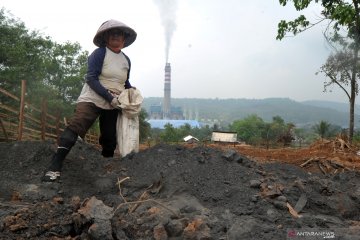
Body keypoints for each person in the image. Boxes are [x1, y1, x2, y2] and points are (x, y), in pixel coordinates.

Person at [42, 19, 137, 182]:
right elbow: (91, 78)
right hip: (93, 95)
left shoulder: (126, 60)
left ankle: (105, 172)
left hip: (114, 101)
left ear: (124, 38)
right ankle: (54, 167)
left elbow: (124, 82)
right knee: (77, 125)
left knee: (109, 138)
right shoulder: (100, 53)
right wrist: (108, 97)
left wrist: (131, 91)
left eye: (119, 34)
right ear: (106, 37)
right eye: (112, 33)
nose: (116, 36)